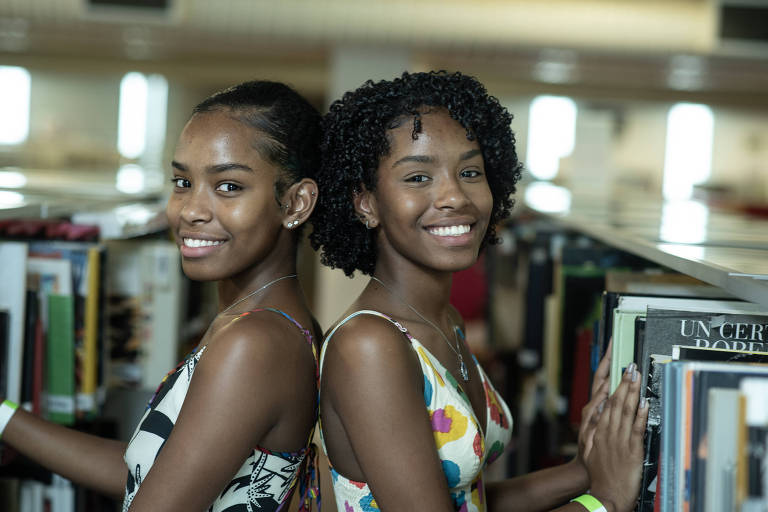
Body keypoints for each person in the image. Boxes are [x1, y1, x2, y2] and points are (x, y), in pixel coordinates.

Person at [309, 70, 648, 512]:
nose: (455, 196)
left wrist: (582, 470)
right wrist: (603, 501)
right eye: (417, 178)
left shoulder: (444, 320)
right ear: (365, 203)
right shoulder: (368, 346)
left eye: (470, 171)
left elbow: (470, 502)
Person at [0, 80, 322, 511]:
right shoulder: (257, 323)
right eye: (182, 181)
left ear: (296, 202)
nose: (190, 210)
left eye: (228, 186)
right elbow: (147, 472)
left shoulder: (255, 344)